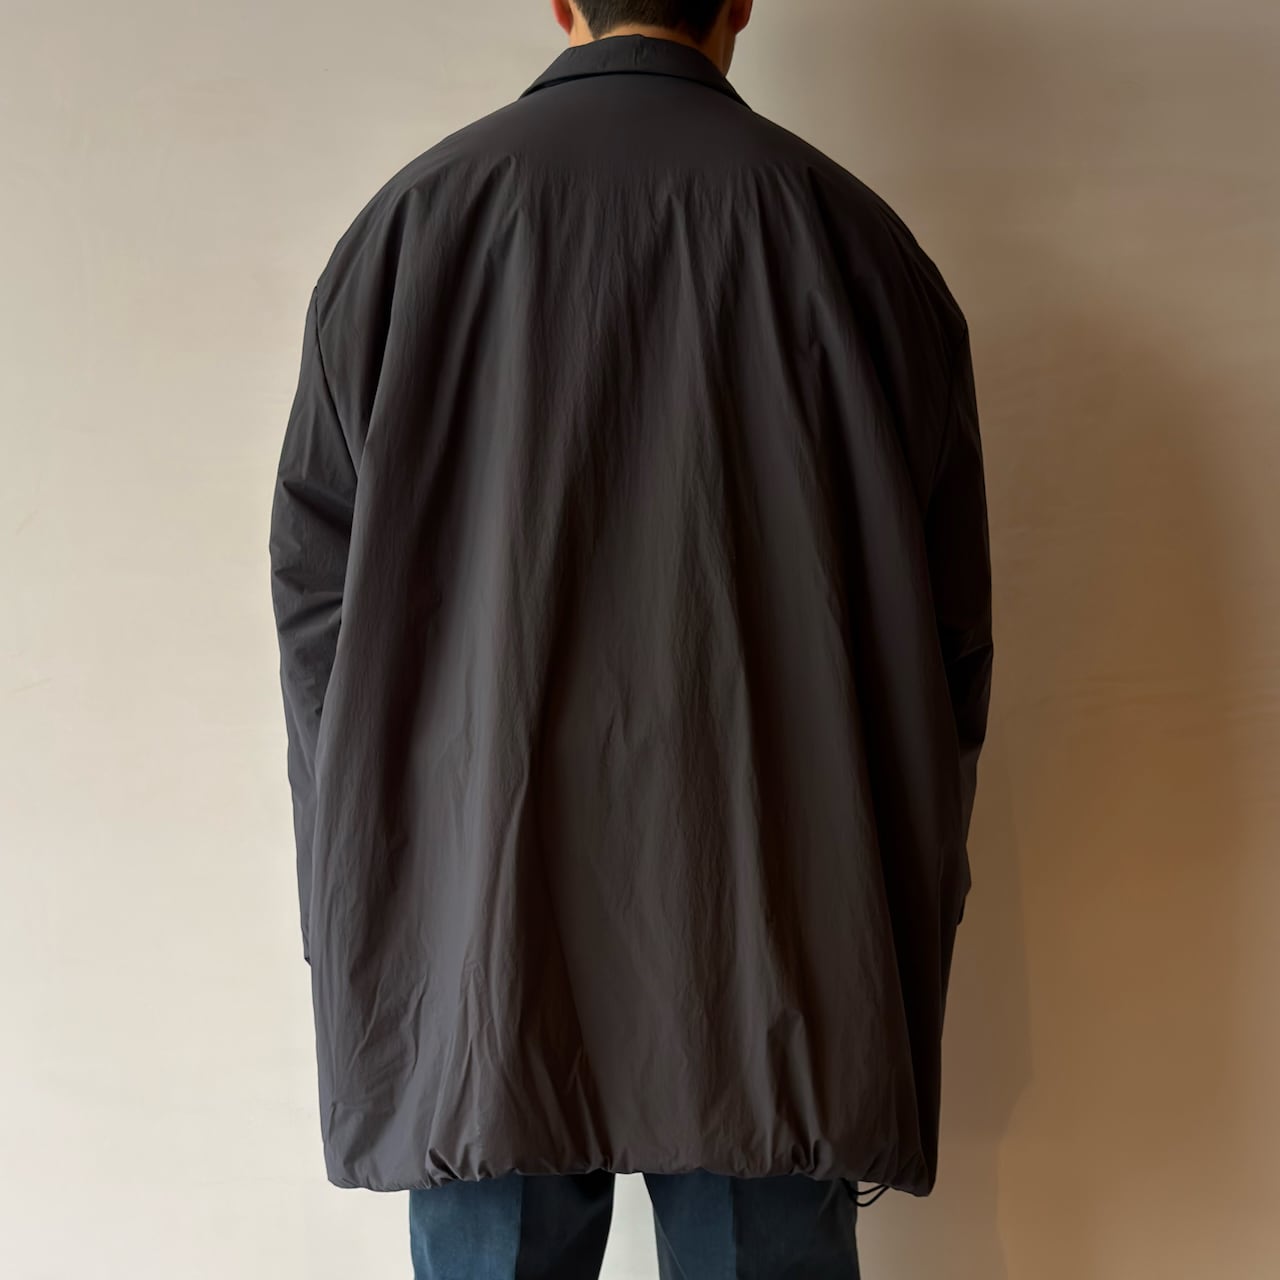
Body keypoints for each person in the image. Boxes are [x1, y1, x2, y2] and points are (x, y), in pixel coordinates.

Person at [267, 1, 994, 1275]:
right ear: (738, 2)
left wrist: (384, 886)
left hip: (482, 926)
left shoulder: (409, 229)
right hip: (778, 928)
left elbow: (317, 608)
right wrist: (891, 899)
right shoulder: (860, 246)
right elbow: (944, 649)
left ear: (562, 1)